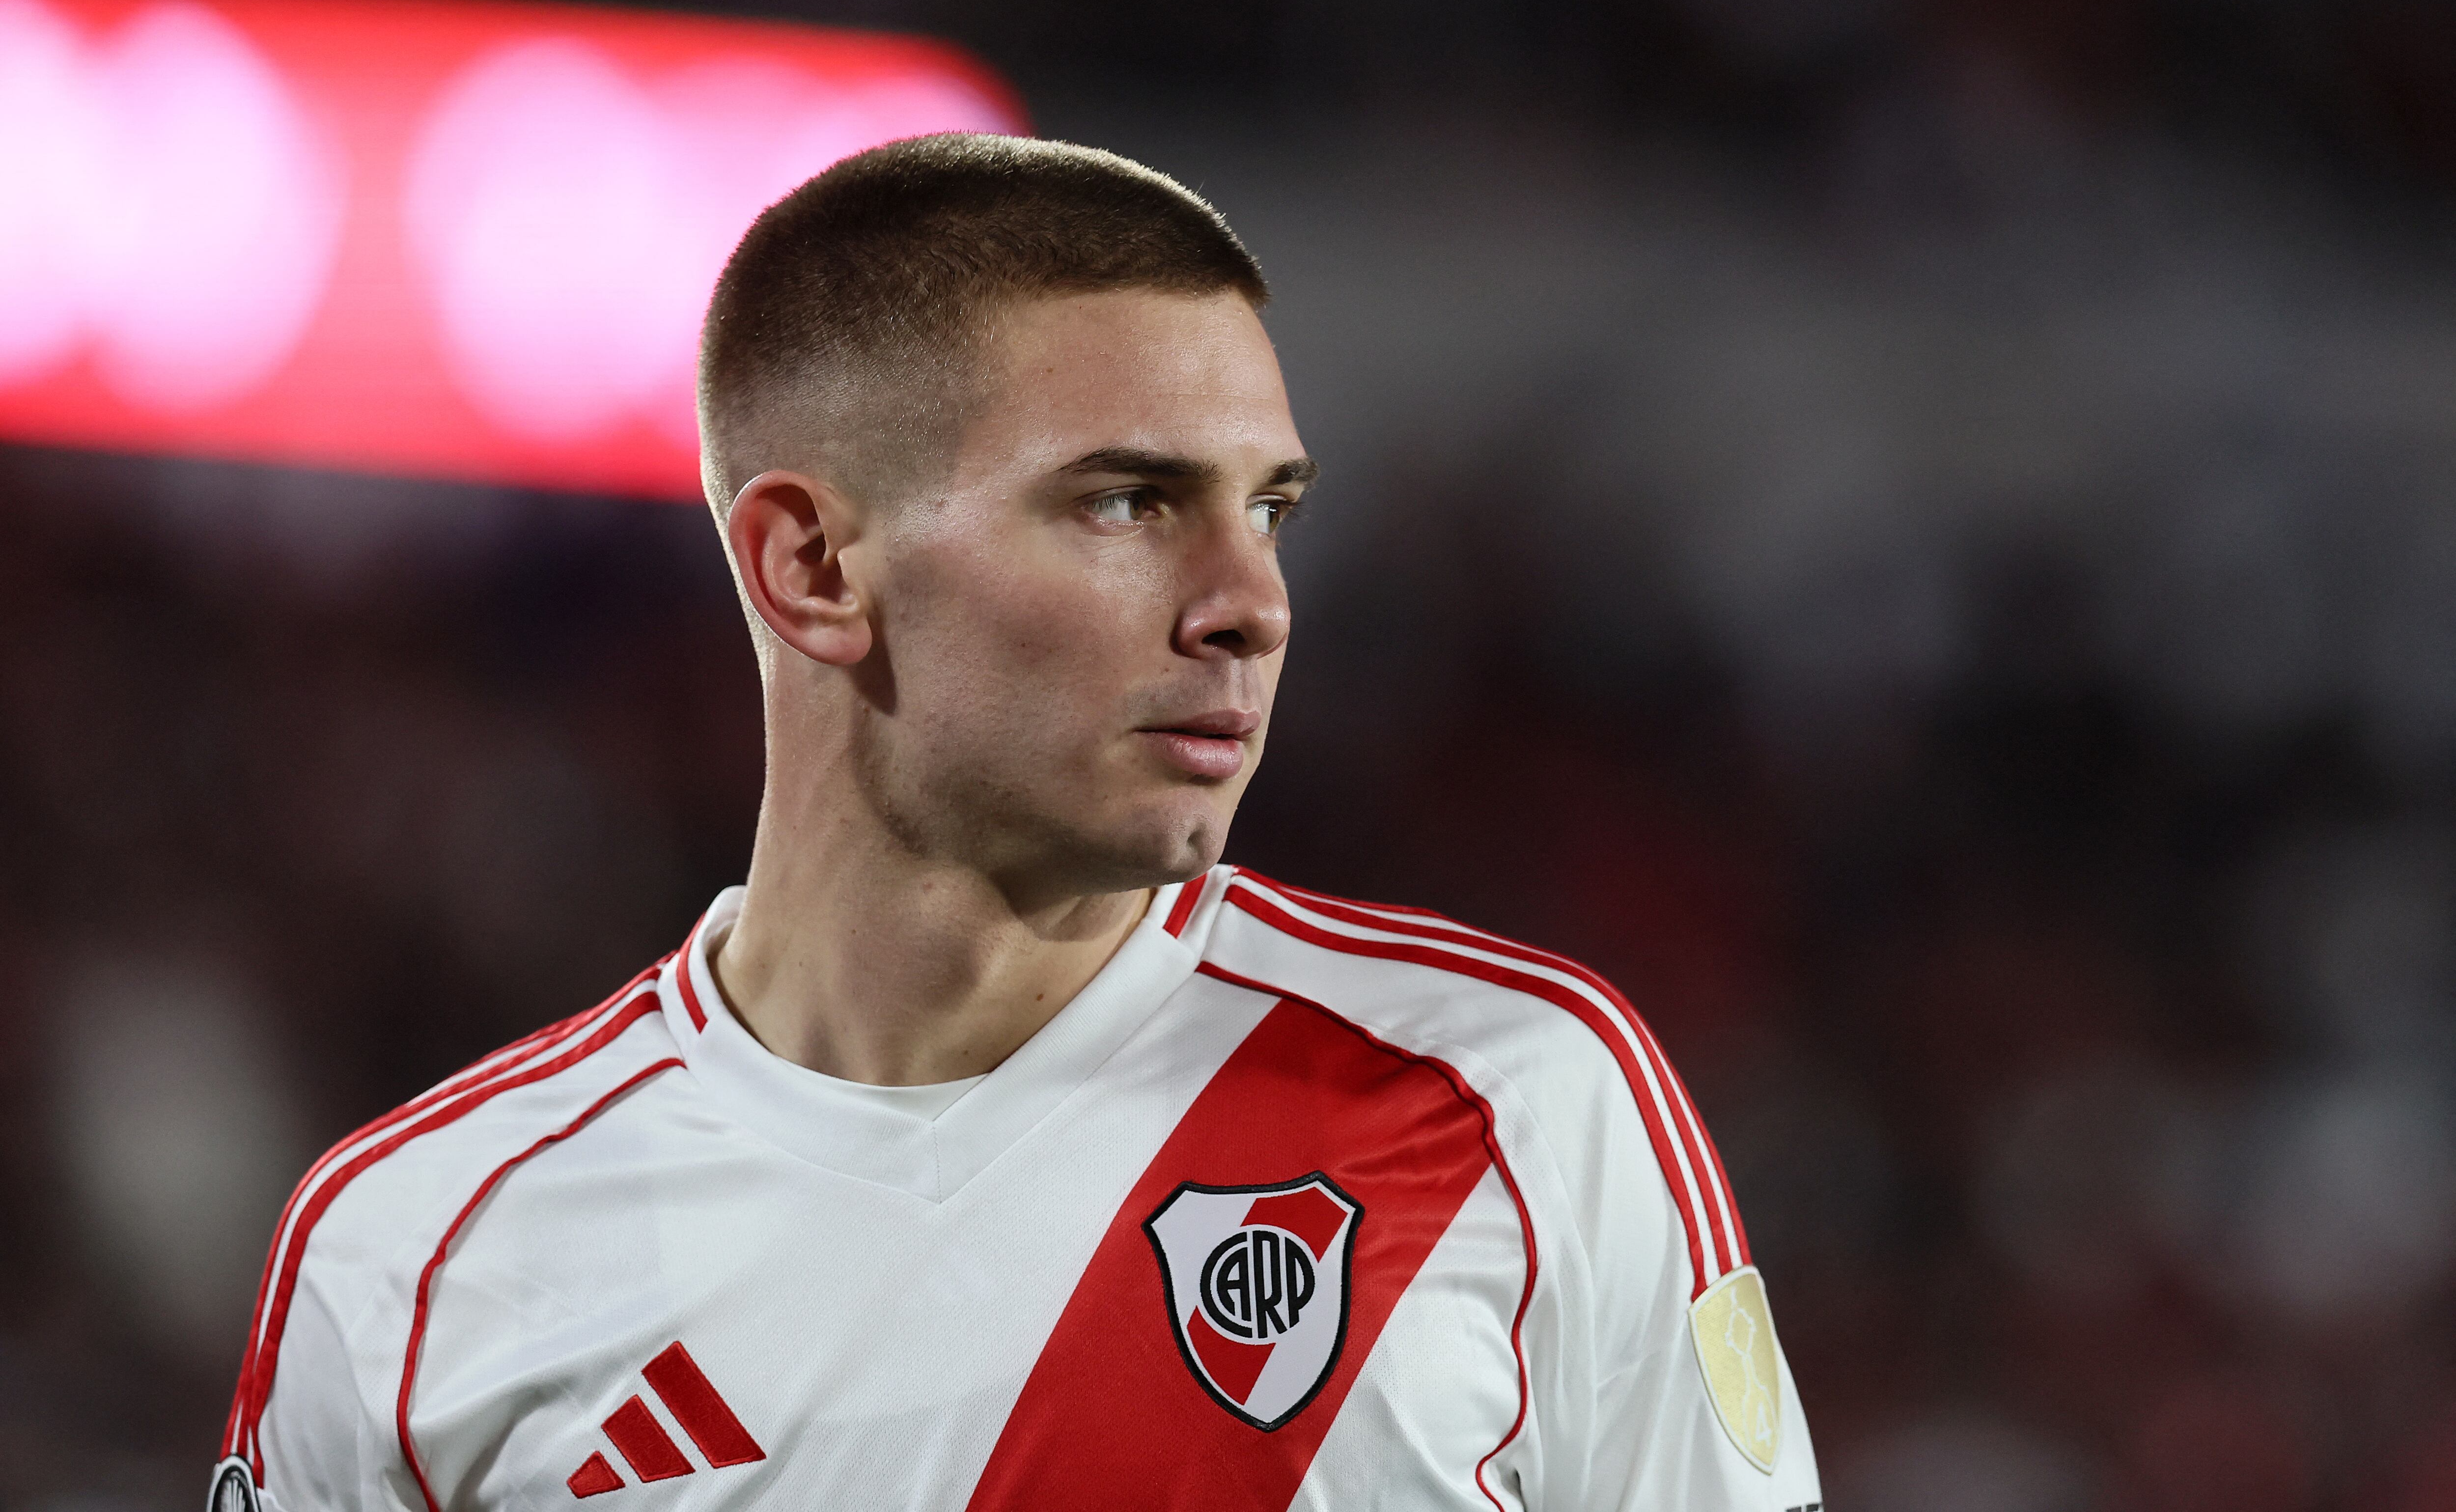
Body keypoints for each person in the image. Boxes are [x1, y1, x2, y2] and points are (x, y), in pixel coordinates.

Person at [210, 134, 1821, 1512]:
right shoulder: (414, 1257)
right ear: (814, 570)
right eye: (1127, 501)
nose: (1250, 604)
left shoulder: (1511, 1106)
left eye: (1269, 510)